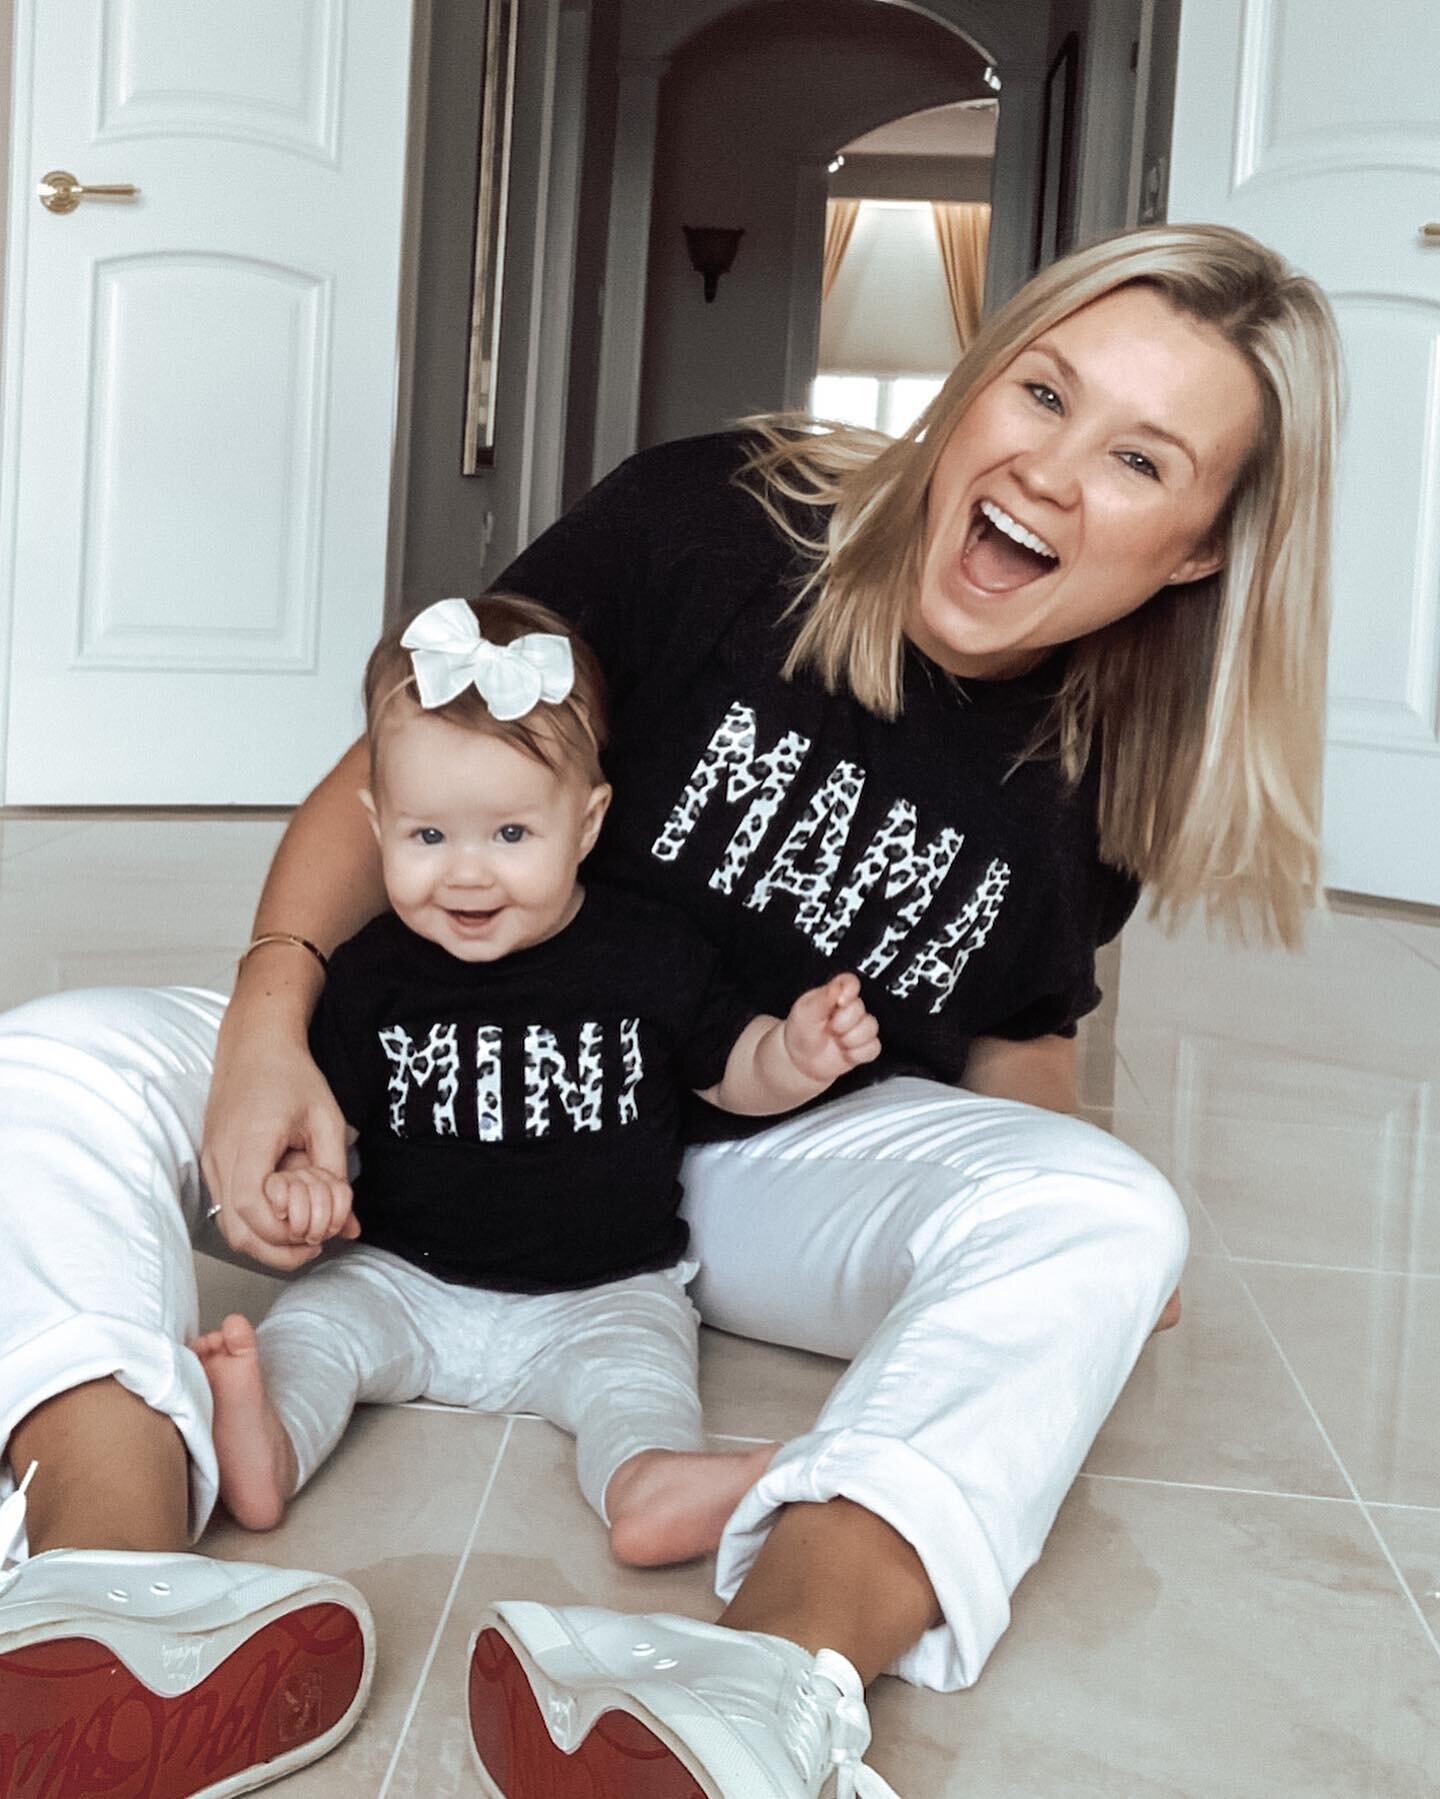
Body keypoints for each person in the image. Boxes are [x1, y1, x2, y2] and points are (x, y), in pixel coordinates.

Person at [0, 223, 1341, 1799]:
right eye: (1040, 392)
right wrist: (267, 1022)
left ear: (1196, 546)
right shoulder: (715, 519)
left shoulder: (1107, 762)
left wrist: (1063, 1239)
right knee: (51, 1059)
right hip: (424, 1073)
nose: (1050, 471)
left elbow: (1019, 1032)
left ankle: (759, 1691)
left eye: (1136, 457)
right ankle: (101, 1596)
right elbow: (395, 775)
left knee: (1113, 1208)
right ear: (975, 386)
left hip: (743, 1162)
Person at [192, 592, 880, 1561]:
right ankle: (266, 1444)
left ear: (587, 821)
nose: (467, 874)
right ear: (377, 820)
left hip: (600, 1291)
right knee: (314, 1335)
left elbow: (731, 1072)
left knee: (637, 1387)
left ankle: (649, 1482)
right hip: (402, 1275)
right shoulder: (368, 970)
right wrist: (310, 1183)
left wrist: (796, 1053)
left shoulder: (650, 952)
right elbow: (328, 1126)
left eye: (511, 835)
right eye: (428, 837)